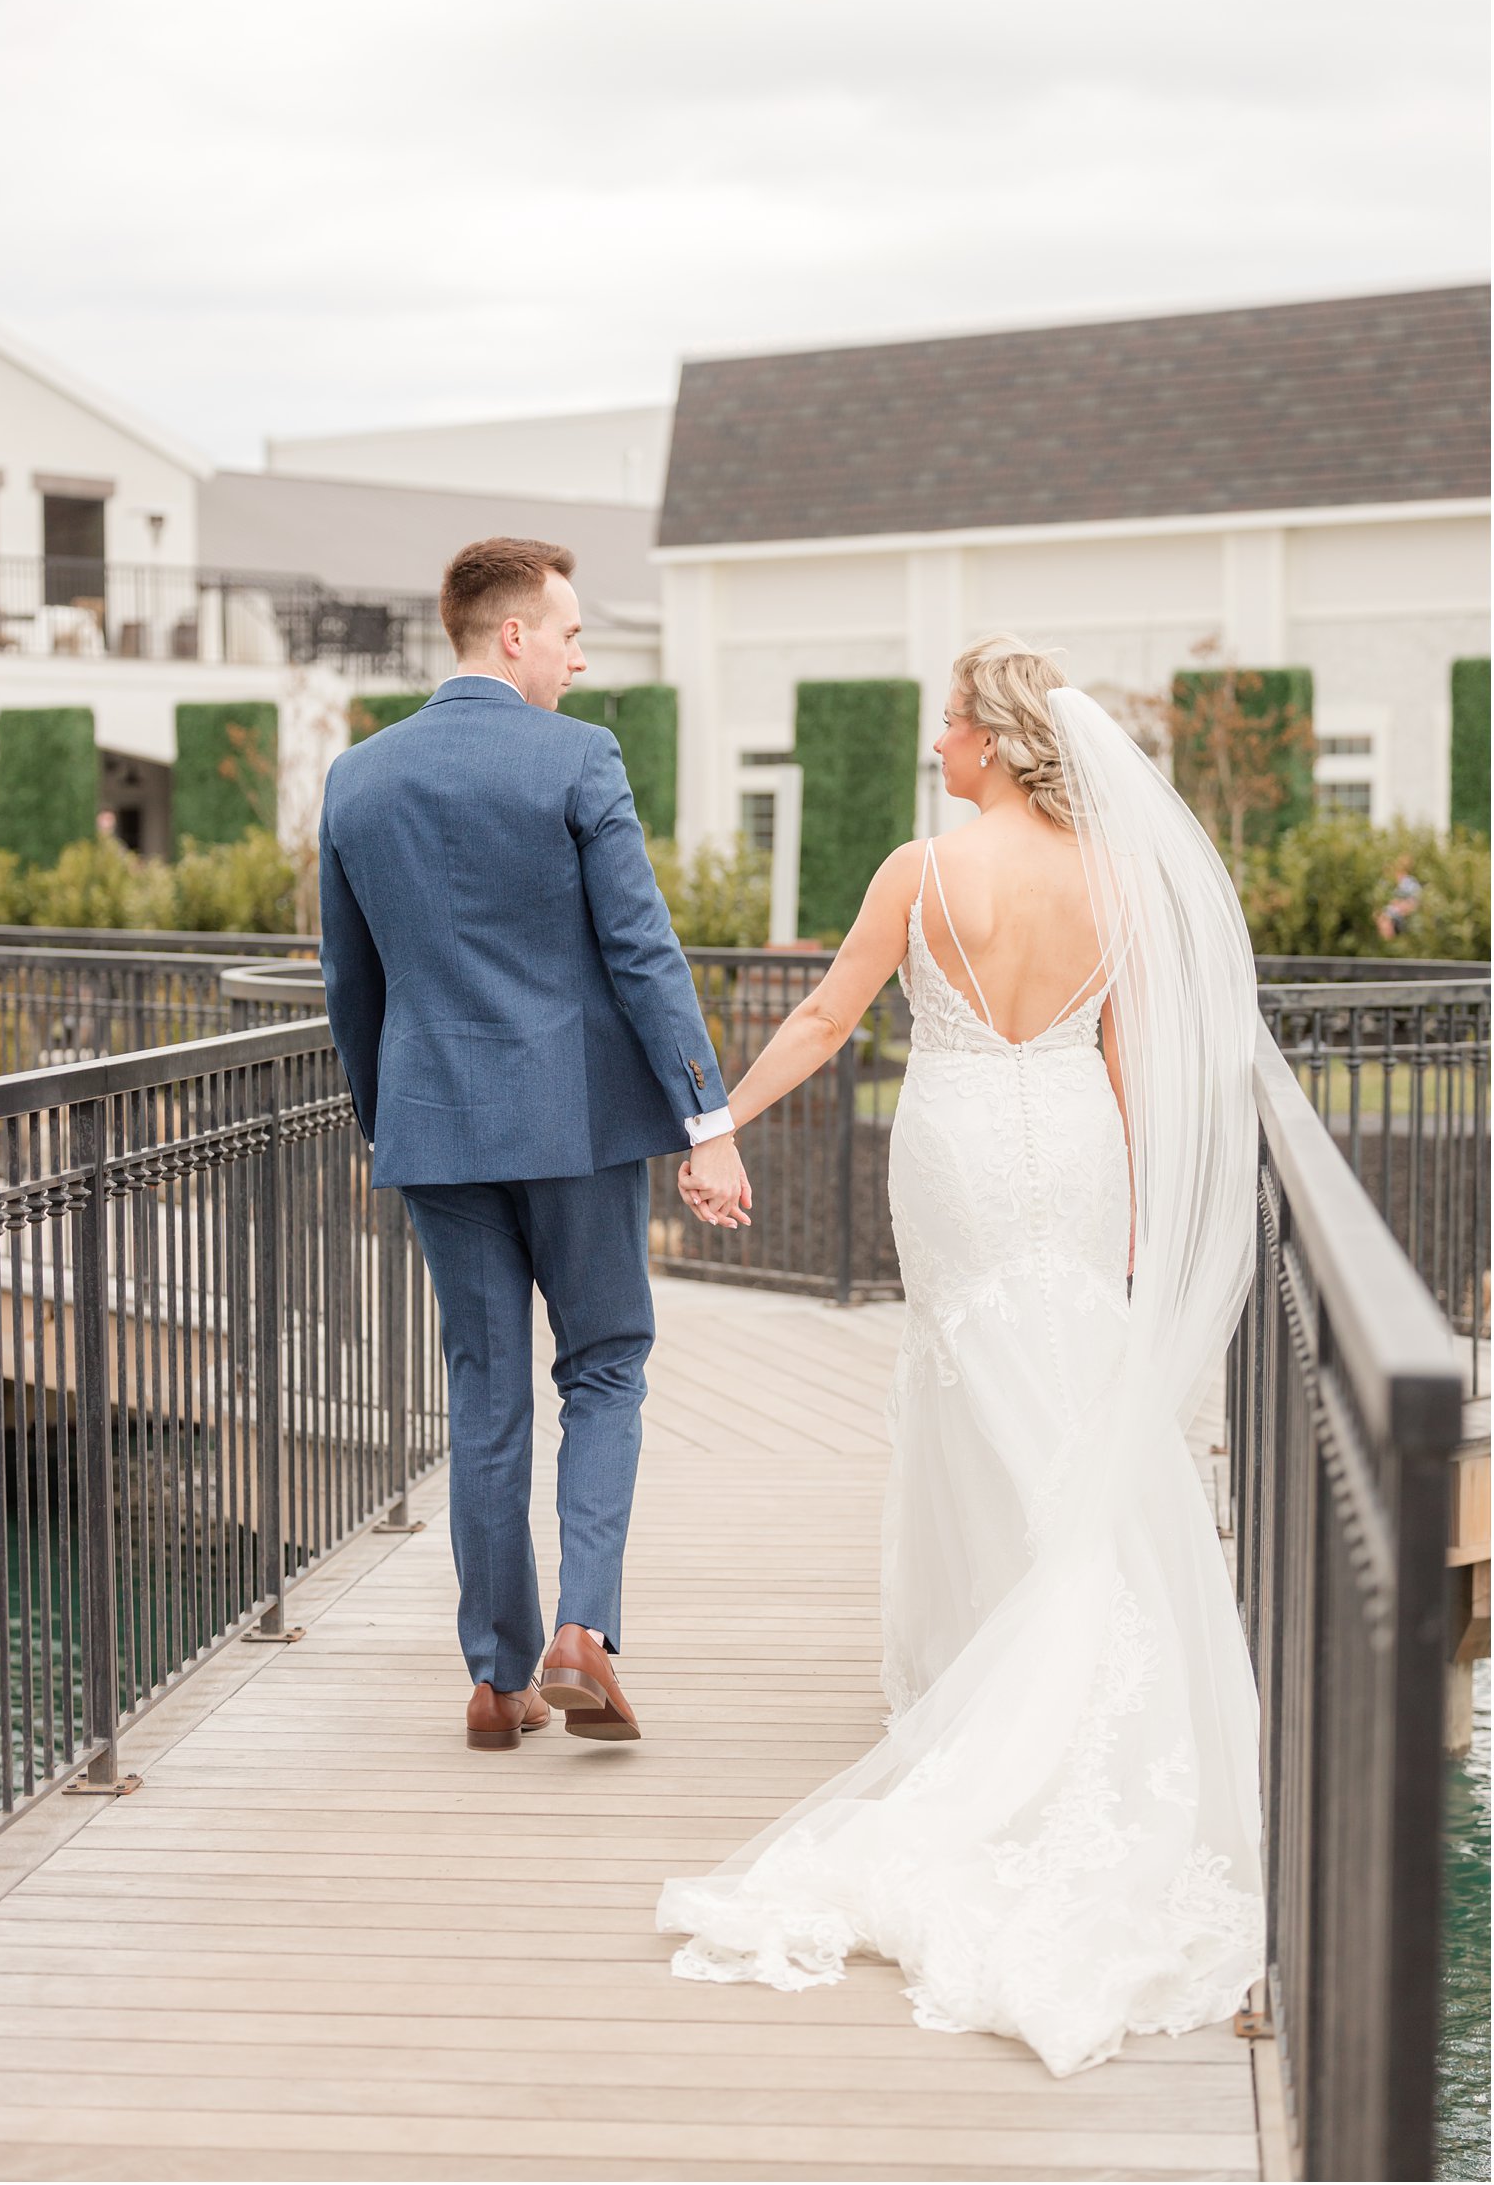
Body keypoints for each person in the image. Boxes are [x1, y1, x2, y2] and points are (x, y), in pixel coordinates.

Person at [661, 637, 1265, 2077]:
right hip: (1072, 1147)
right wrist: (1136, 1209)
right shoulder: (1117, 879)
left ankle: (988, 1681)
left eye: (948, 727)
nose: (938, 746)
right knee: (1067, 1383)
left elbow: (825, 1015)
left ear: (990, 744)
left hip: (954, 1156)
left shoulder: (920, 871)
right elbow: (1127, 1062)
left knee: (971, 1394)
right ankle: (1053, 1647)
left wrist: (716, 1122)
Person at [318, 537, 750, 1753]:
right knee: (605, 1363)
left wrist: (386, 1118)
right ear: (512, 635)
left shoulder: (356, 778)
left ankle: (497, 1679)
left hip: (434, 1127)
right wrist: (703, 1122)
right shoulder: (578, 757)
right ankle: (583, 1635)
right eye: (567, 633)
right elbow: (643, 950)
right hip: (575, 1125)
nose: (575, 656)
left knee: (484, 1391)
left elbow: (349, 984)